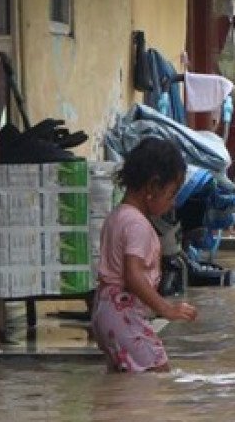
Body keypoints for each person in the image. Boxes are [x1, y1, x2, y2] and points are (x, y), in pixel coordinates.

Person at [92, 138, 198, 373]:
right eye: (171, 195)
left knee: (126, 382)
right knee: (158, 373)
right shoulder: (137, 224)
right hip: (124, 315)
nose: (172, 204)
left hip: (104, 312)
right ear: (152, 187)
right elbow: (133, 275)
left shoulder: (117, 216)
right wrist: (165, 308)